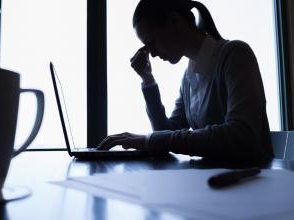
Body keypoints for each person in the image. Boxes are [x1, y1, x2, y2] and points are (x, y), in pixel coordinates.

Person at [97, 0, 274, 160]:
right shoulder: (188, 79)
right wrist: (148, 80)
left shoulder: (235, 55)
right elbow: (165, 133)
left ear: (174, 21)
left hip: (249, 183)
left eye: (151, 42)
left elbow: (240, 135)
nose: (152, 53)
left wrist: (149, 140)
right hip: (214, 182)